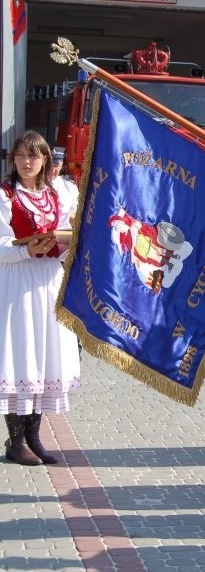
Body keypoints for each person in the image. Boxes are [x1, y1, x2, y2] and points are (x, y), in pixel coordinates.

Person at [0, 131, 80, 466]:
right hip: (18, 280)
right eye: (20, 155)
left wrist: (61, 245)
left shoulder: (57, 193)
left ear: (45, 159)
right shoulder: (5, 195)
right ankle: (16, 441)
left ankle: (34, 437)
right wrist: (25, 250)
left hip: (49, 281)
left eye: (33, 156)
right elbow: (1, 244)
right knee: (22, 354)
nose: (26, 162)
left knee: (45, 356)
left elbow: (67, 234)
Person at [47, 147, 79, 229]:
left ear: (61, 165)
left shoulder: (69, 186)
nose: (52, 170)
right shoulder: (32, 185)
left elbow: (74, 213)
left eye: (56, 166)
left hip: (64, 236)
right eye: (48, 166)